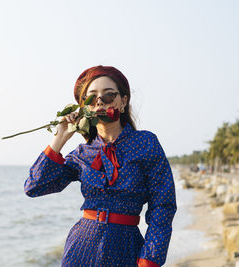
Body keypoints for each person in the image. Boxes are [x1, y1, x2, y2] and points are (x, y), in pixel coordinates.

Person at [24, 65, 177, 267]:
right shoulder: (82, 153)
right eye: (91, 98)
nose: (99, 102)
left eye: (108, 96)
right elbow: (34, 187)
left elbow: (163, 205)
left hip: (126, 248)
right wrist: (60, 137)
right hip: (81, 248)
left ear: (123, 101)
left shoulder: (146, 143)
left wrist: (150, 259)